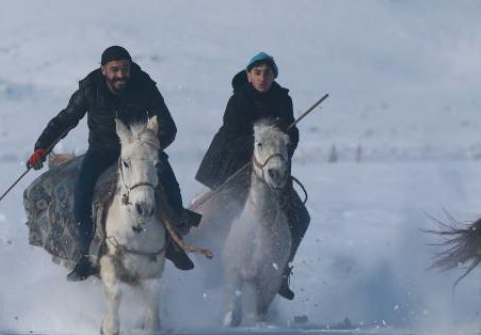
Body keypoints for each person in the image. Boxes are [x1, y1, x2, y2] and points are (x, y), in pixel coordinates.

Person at [27, 46, 200, 281]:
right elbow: (66, 119)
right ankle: (86, 254)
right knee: (82, 190)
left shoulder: (144, 85)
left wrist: (150, 146)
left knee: (165, 176)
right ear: (104, 70)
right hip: (103, 150)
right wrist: (42, 146)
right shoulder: (90, 88)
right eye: (114, 70)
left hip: (138, 150)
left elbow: (169, 126)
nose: (120, 75)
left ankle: (176, 235)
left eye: (125, 69)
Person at [195, 52, 310, 300]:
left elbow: (293, 135)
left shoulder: (282, 100)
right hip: (235, 167)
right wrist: (261, 141)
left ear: (274, 76)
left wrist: (282, 143)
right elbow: (230, 139)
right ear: (249, 75)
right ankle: (208, 266)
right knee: (218, 215)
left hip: (272, 171)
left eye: (267, 72)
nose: (262, 77)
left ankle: (282, 270)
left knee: (300, 218)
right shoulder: (238, 101)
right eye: (257, 72)